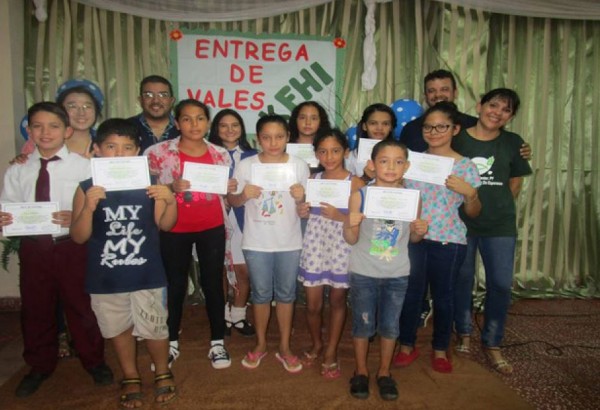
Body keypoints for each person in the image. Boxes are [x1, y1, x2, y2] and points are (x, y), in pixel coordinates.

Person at [0, 102, 113, 398]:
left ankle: (94, 361)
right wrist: (6, 219)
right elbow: (9, 205)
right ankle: (39, 365)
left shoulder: (84, 167)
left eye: (53, 126)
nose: (45, 132)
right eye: (37, 126)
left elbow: (101, 208)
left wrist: (75, 215)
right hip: (34, 248)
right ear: (29, 130)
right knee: (36, 307)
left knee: (81, 305)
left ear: (67, 131)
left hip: (72, 246)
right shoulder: (18, 169)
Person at [70, 118, 178, 408]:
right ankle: (130, 375)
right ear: (97, 149)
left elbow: (165, 225)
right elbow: (78, 236)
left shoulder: (151, 183)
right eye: (111, 147)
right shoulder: (86, 188)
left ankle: (162, 371)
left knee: (156, 327)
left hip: (147, 272)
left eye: (127, 147)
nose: (119, 154)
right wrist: (89, 207)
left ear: (137, 151)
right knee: (118, 328)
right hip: (106, 277)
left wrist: (170, 200)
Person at [144, 99, 237, 370]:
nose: (194, 124)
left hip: (211, 226)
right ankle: (171, 341)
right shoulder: (158, 152)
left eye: (200, 118)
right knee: (175, 285)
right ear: (177, 123)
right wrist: (169, 186)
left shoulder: (220, 154)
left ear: (208, 123)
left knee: (213, 284)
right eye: (187, 119)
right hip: (174, 227)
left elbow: (224, 194)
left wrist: (228, 187)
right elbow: (146, 189)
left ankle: (217, 342)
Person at [394, 102, 481, 373]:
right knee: (411, 294)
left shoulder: (465, 167)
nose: (433, 132)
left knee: (444, 297)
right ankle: (406, 344)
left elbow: (474, 213)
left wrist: (470, 193)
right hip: (414, 238)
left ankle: (441, 348)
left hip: (449, 240)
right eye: (428, 127)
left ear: (455, 129)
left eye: (441, 127)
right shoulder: (412, 162)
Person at [452, 88, 532, 375]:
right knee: (462, 280)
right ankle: (463, 332)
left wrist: (499, 206)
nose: (497, 112)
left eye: (506, 109)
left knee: (499, 284)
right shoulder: (457, 139)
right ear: (479, 106)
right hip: (460, 224)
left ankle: (493, 341)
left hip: (500, 226)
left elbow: (515, 181)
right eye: (493, 105)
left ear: (510, 116)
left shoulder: (514, 143)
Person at [343, 139, 428, 401]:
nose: (391, 167)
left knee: (391, 325)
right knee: (363, 324)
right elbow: (351, 239)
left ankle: (383, 372)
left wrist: (418, 231)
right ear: (372, 164)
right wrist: (350, 223)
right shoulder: (360, 195)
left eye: (398, 162)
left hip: (397, 273)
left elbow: (414, 240)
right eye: (383, 161)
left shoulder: (412, 198)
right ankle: (360, 371)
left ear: (407, 166)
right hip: (364, 272)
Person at [227, 115, 309, 373]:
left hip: (289, 241)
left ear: (288, 137)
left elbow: (306, 209)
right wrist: (243, 194)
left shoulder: (299, 165)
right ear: (257, 139)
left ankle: (284, 347)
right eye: (266, 137)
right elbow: (232, 200)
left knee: (286, 295)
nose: (273, 143)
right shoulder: (246, 165)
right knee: (261, 294)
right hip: (256, 241)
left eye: (279, 137)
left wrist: (301, 198)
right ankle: (261, 344)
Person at [296, 128, 364, 377]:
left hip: (342, 246)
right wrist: (301, 210)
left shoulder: (356, 182)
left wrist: (340, 216)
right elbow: (305, 212)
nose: (329, 156)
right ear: (316, 154)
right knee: (313, 305)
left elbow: (364, 220)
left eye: (335, 151)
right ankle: (317, 343)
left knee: (337, 301)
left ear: (345, 152)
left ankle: (331, 351)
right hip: (315, 244)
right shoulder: (312, 180)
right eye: (323, 151)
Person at [208, 109, 257, 337]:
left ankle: (238, 315)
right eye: (223, 125)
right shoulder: (207, 155)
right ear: (216, 129)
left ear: (242, 128)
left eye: (235, 125)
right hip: (213, 217)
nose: (230, 130)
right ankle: (223, 316)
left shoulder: (254, 156)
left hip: (244, 219)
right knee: (218, 271)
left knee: (242, 271)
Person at [20, 79, 104, 159]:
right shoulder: (42, 143)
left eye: (87, 106)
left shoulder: (106, 144)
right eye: (72, 106)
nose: (81, 113)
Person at [128, 75, 179, 153]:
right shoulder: (125, 127)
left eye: (163, 95)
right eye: (149, 95)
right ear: (140, 100)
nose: (156, 101)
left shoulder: (184, 129)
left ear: (172, 101)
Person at [346, 103, 397, 180]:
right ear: (364, 126)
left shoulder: (403, 154)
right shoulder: (351, 157)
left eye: (385, 124)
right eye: (373, 123)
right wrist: (365, 177)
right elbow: (347, 185)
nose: (379, 128)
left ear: (391, 127)